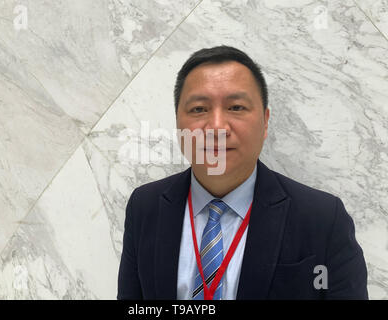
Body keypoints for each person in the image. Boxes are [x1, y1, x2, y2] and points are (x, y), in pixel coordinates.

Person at [117, 45, 368, 300]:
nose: (216, 126)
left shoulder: (323, 219)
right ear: (178, 123)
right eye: (198, 109)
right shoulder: (145, 207)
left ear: (266, 121)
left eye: (236, 107)